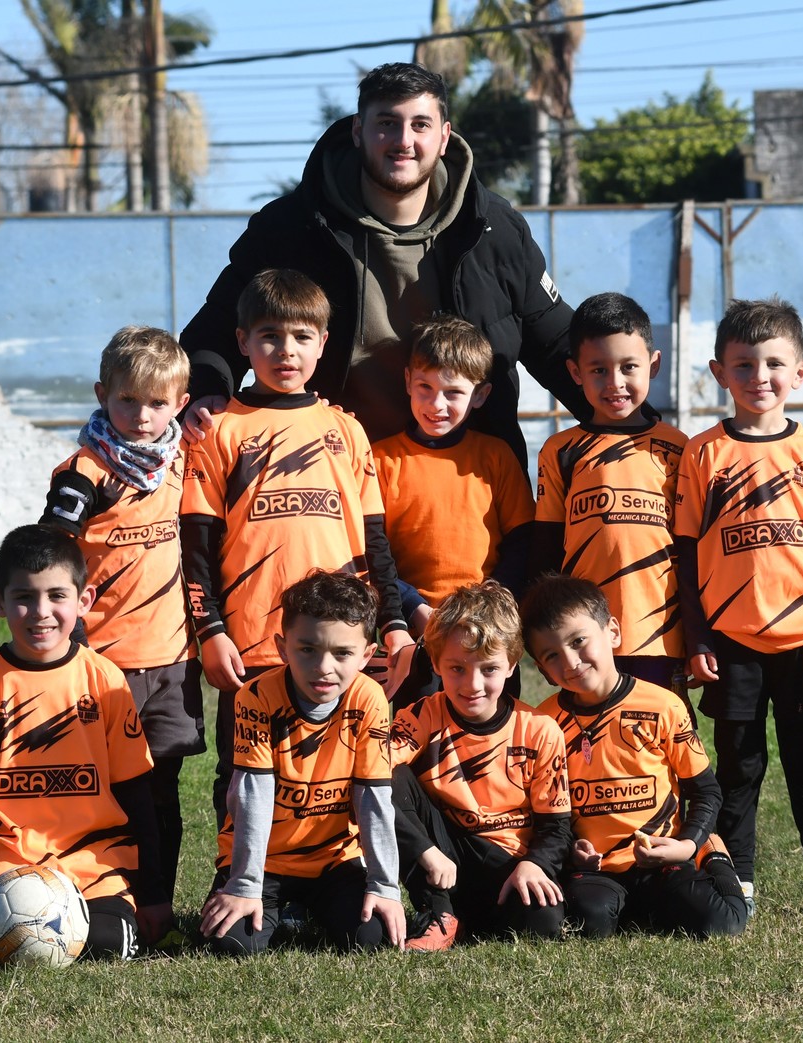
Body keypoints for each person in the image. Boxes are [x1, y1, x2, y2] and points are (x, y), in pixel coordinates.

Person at [176, 61, 588, 463]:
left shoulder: (492, 228)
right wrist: (208, 386)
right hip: (329, 477)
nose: (403, 140)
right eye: (387, 123)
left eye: (420, 125)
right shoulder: (291, 226)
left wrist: (625, 420)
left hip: (463, 479)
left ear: (444, 137)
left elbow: (554, 342)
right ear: (359, 131)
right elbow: (217, 326)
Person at [179, 268, 413, 860]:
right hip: (255, 644)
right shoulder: (218, 431)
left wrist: (392, 624)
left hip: (344, 646)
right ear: (243, 343)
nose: (287, 351)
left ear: (323, 343)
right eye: (270, 337)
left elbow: (375, 546)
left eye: (302, 337)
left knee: (348, 767)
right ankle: (237, 875)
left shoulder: (346, 430)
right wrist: (210, 631)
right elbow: (196, 549)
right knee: (241, 773)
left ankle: (341, 877)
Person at [671, 296, 803, 921]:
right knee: (739, 770)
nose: (760, 378)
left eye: (774, 364)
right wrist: (697, 638)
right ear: (718, 372)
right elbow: (686, 557)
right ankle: (742, 887)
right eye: (744, 365)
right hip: (733, 643)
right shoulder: (704, 455)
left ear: (801, 371)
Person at [0, 524, 169, 959]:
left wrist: (153, 896)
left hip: (95, 863)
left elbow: (138, 794)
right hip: (7, 866)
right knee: (6, 946)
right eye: (24, 597)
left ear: (84, 602)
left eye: (57, 596)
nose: (41, 612)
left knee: (109, 943)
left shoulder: (104, 680)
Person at [39, 325, 203, 909]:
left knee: (163, 792)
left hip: (175, 661)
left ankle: (157, 905)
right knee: (102, 790)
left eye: (158, 403)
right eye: (127, 399)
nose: (141, 415)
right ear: (101, 394)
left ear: (180, 404)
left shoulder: (186, 460)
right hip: (104, 666)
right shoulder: (83, 473)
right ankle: (92, 899)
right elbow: (51, 558)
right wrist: (70, 648)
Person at [522, 574, 747, 940]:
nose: (571, 661)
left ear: (612, 632)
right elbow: (544, 813)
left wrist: (686, 846)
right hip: (598, 870)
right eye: (552, 655)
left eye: (579, 642)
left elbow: (706, 791)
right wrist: (570, 852)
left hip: (665, 860)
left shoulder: (663, 705)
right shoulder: (543, 724)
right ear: (542, 670)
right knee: (587, 924)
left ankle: (713, 854)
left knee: (719, 923)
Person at [199, 571, 405, 954]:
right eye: (307, 649)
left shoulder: (370, 698)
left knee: (372, 939)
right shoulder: (255, 696)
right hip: (266, 863)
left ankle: (307, 908)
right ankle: (276, 904)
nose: (323, 667)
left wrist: (384, 887)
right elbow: (253, 797)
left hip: (334, 860)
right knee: (230, 945)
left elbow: (375, 798)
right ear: (282, 647)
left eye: (342, 653)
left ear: (366, 655)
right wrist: (244, 885)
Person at [388, 581, 570, 950]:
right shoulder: (421, 714)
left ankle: (469, 918)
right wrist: (426, 851)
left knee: (543, 924)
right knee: (387, 776)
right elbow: (371, 776)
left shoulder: (540, 730)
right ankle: (439, 913)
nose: (473, 684)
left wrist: (535, 864)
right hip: (443, 857)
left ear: (511, 666)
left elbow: (557, 828)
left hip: (508, 863)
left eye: (489, 669)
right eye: (457, 668)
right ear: (437, 663)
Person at [529, 292, 689, 696]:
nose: (615, 383)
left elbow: (692, 551)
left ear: (653, 365)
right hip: (583, 642)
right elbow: (547, 551)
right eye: (598, 369)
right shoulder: (561, 451)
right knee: (589, 749)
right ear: (575, 371)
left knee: (660, 744)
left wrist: (697, 636)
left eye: (629, 367)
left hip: (659, 635)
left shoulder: (680, 448)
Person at [372, 315, 535, 699]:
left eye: (453, 393)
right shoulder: (381, 459)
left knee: (491, 742)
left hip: (488, 631)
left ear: (479, 395)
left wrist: (488, 609)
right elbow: (371, 550)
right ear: (408, 381)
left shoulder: (496, 456)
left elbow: (522, 542)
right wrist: (413, 609)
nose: (436, 404)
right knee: (418, 742)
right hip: (415, 631)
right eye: (425, 387)